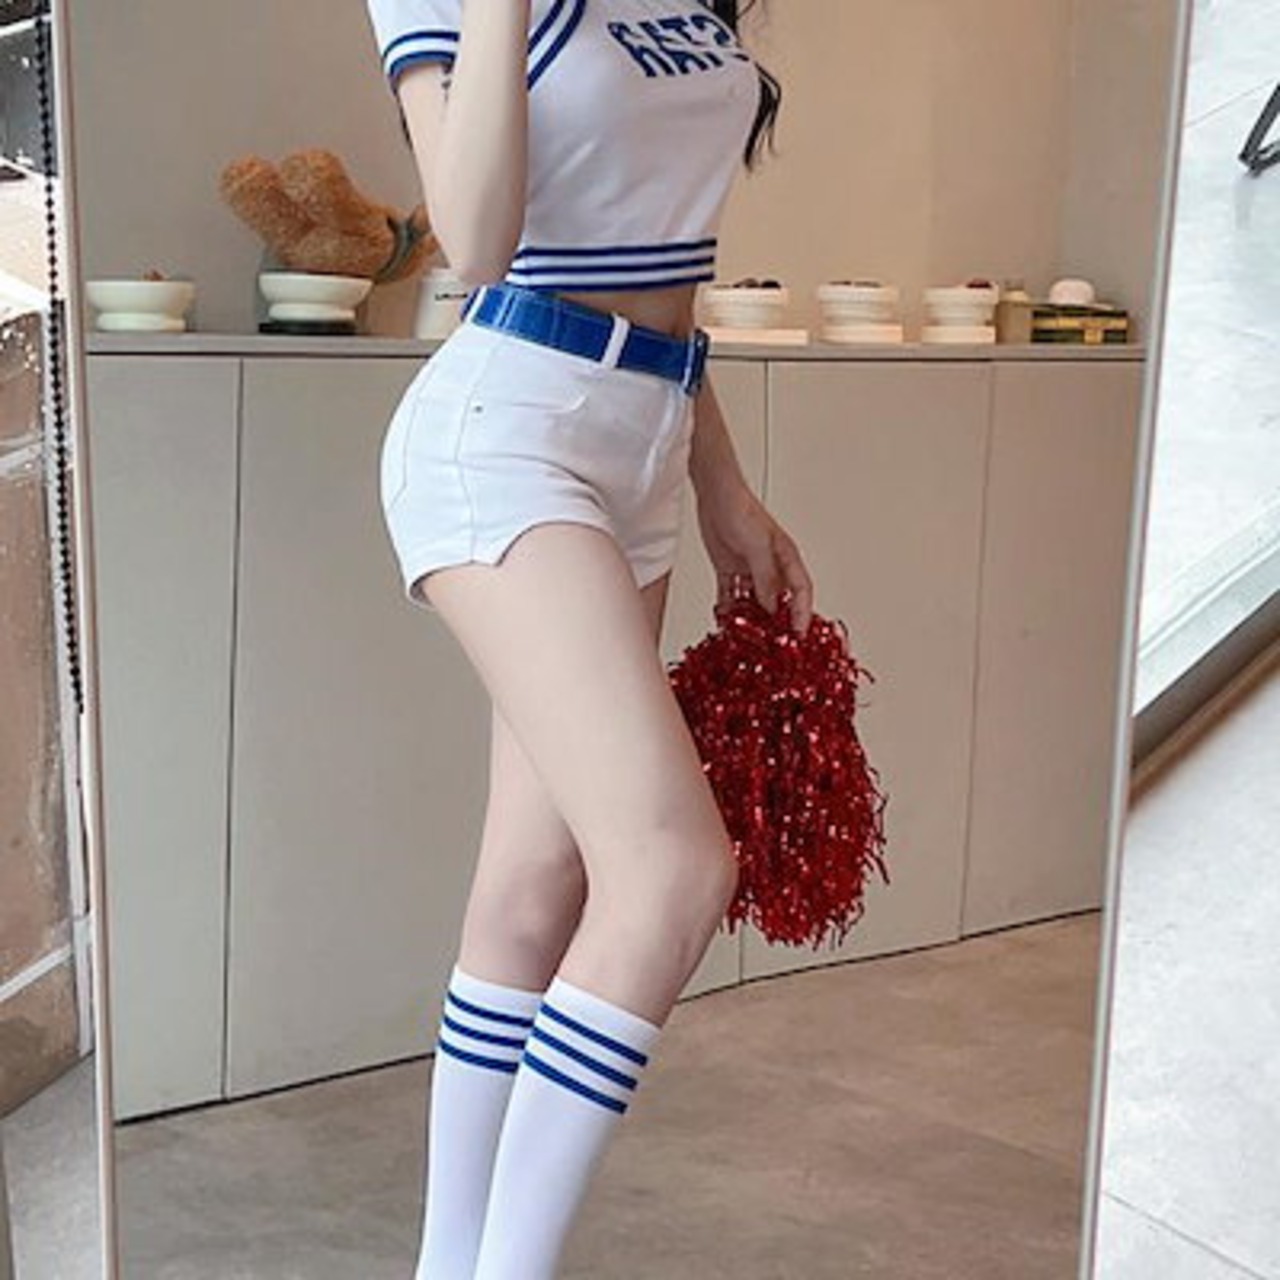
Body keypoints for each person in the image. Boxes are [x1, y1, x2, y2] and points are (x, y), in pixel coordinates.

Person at [365, 1, 814, 1276]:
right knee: (669, 870)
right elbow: (475, 241)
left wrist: (722, 486)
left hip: (645, 439)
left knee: (535, 884)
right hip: (506, 432)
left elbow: (663, 262)